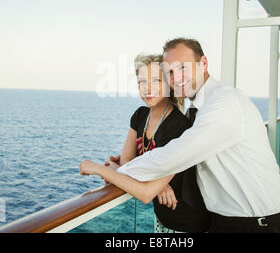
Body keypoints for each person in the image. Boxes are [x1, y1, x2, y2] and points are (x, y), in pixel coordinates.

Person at [110, 38, 280, 233]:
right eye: (169, 72)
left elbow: (172, 157)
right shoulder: (196, 110)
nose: (177, 78)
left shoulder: (223, 103)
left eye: (183, 67)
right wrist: (142, 166)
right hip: (222, 221)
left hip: (259, 225)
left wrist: (117, 170)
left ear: (204, 63)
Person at [80, 53, 211, 233]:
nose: (147, 88)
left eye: (156, 80)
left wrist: (101, 168)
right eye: (142, 82)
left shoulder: (178, 127)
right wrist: (156, 182)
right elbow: (126, 163)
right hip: (162, 218)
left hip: (189, 224)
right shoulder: (140, 115)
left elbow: (145, 192)